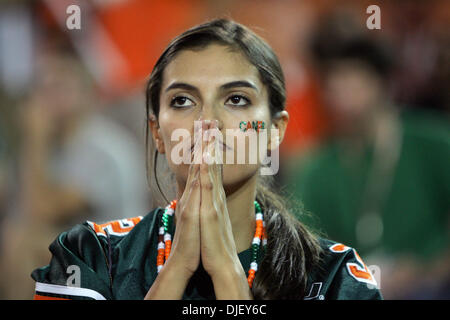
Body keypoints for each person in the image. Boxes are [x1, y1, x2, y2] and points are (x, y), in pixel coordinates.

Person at [31, 19, 382, 300]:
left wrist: (227, 273)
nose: (208, 123)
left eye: (236, 99)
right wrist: (179, 265)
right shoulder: (89, 255)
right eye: (183, 101)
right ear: (157, 133)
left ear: (275, 130)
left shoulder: (335, 277)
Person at [285, 29, 450, 298]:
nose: (341, 93)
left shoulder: (433, 142)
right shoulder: (317, 166)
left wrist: (430, 269)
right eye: (333, 83)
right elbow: (308, 249)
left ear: (383, 83)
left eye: (353, 79)